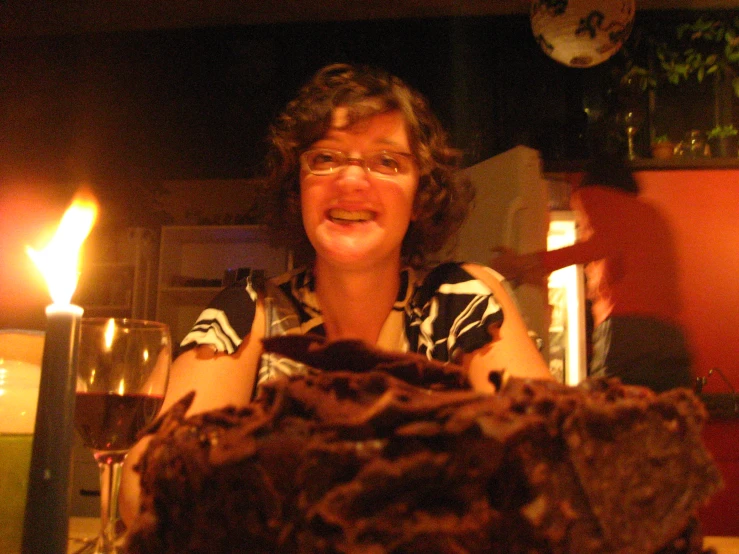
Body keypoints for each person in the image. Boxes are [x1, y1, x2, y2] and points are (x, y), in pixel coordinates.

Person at [120, 62, 551, 525]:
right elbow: (146, 484)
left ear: (421, 195)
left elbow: (547, 461)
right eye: (325, 158)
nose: (350, 181)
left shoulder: (460, 300)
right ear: (296, 188)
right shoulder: (249, 311)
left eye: (387, 162)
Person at [491, 156, 693, 393]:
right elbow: (616, 259)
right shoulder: (650, 212)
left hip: (627, 330)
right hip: (671, 335)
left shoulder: (594, 195)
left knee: (612, 410)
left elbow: (597, 246)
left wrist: (522, 263)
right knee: (667, 413)